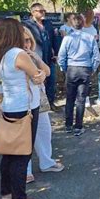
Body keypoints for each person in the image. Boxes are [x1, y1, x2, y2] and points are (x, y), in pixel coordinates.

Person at [0, 18, 46, 199]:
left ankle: (6, 194)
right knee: (22, 156)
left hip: (8, 107)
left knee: (8, 154)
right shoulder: (19, 54)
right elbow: (38, 76)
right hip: (24, 109)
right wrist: (41, 71)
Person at [21, 28, 64, 184]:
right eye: (22, 40)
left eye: (28, 40)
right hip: (24, 102)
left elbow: (46, 71)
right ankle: (25, 170)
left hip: (40, 99)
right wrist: (41, 74)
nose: (26, 44)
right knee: (26, 136)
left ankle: (46, 161)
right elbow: (37, 76)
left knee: (44, 131)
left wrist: (36, 58)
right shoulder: (16, 56)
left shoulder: (32, 55)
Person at [58, 14, 100, 136]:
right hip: (85, 69)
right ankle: (78, 127)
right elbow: (96, 57)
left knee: (70, 98)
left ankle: (68, 125)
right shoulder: (90, 37)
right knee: (81, 100)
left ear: (72, 24)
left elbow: (61, 56)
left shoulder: (67, 38)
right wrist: (92, 68)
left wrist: (65, 68)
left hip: (72, 69)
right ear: (83, 24)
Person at [23, 3, 59, 111]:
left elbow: (54, 38)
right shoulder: (27, 25)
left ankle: (50, 102)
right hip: (35, 57)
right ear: (33, 12)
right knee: (38, 81)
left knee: (51, 80)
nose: (43, 13)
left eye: (44, 11)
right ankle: (38, 104)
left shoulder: (48, 23)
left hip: (49, 57)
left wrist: (56, 53)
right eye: (40, 11)